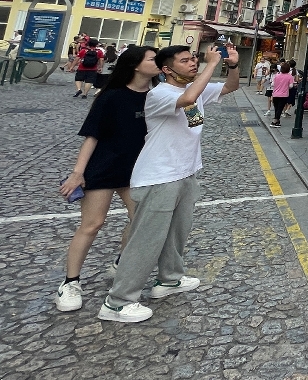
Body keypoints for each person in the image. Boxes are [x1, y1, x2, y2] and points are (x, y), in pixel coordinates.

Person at [98, 42, 241, 323]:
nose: (193, 63)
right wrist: (212, 64)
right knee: (146, 240)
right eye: (185, 60)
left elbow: (230, 87)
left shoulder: (194, 89)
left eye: (194, 59)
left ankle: (169, 279)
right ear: (166, 70)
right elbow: (188, 99)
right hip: (159, 177)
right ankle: (118, 302)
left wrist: (233, 65)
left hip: (185, 173)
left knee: (177, 234)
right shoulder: (160, 94)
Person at [53, 46, 160, 312]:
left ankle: (121, 262)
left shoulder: (159, 95)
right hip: (104, 167)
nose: (157, 62)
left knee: (140, 222)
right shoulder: (111, 96)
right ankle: (70, 283)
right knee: (92, 225)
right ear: (135, 65)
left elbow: (188, 117)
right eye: (152, 59)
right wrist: (78, 173)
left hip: (137, 171)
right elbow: (92, 136)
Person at [269, 61, 294, 127]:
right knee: (280, 108)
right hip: (284, 95)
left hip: (275, 94)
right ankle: (274, 121)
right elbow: (291, 86)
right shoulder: (290, 77)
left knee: (276, 108)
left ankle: (277, 121)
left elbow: (272, 84)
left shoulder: (277, 75)